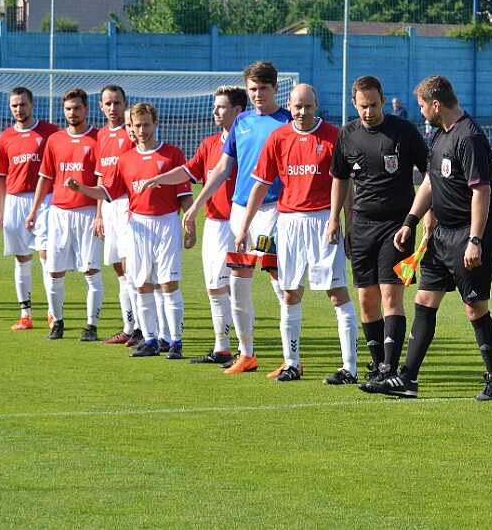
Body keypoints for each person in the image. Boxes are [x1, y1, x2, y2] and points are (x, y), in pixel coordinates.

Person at [366, 74, 492, 400]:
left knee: (475, 307)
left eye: (423, 106)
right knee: (424, 301)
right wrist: (410, 221)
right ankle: (407, 379)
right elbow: (430, 182)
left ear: (436, 104)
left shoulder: (468, 137)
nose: (421, 111)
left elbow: (481, 191)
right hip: (442, 234)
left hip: (469, 234)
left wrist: (475, 240)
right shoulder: (439, 135)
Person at [238, 83, 359, 383]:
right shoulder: (277, 137)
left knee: (336, 293)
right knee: (290, 294)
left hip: (323, 221)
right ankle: (291, 363)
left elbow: (345, 188)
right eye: (297, 106)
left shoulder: (334, 137)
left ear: (316, 104)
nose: (302, 112)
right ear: (288, 106)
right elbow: (261, 184)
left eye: (307, 106)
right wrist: (244, 227)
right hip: (289, 222)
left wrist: (347, 225)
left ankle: (349, 367)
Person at [181, 61, 291, 375]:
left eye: (263, 89)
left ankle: (289, 357)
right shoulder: (241, 121)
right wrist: (197, 203)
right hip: (239, 214)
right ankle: (246, 354)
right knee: (238, 283)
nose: (257, 94)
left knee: (279, 282)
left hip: (272, 213)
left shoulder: (286, 123)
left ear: (275, 89)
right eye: (252, 89)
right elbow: (222, 168)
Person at [66, 102, 193, 358]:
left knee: (168, 284)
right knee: (142, 284)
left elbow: (185, 194)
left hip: (167, 222)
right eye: (137, 125)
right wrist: (81, 189)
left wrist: (189, 225)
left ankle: (175, 341)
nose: (142, 130)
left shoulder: (172, 155)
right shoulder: (125, 160)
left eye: (147, 124)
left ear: (156, 124)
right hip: (137, 225)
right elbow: (107, 192)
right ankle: (149, 340)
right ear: (130, 128)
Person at [328, 75, 429, 389]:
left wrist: (427, 215)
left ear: (383, 101)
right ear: (353, 104)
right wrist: (335, 220)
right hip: (361, 226)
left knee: (390, 296)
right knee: (366, 299)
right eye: (362, 106)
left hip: (397, 226)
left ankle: (389, 368)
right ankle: (376, 365)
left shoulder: (404, 132)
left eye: (373, 105)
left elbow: (430, 175)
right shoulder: (347, 136)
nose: (368, 111)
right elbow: (340, 180)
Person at [142, 86, 246, 364]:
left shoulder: (247, 142)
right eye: (215, 106)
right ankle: (221, 347)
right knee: (214, 287)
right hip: (213, 225)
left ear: (238, 111)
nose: (214, 111)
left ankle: (244, 350)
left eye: (221, 107)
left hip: (237, 224)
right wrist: (160, 178)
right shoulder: (210, 144)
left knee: (237, 287)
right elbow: (189, 171)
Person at [25, 89, 103, 341]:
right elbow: (45, 178)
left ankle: (91, 327)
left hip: (88, 212)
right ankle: (57, 323)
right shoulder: (55, 140)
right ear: (64, 110)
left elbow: (102, 181)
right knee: (54, 271)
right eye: (68, 109)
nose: (73, 113)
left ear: (87, 109)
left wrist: (100, 214)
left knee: (91, 271)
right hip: (58, 214)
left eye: (77, 108)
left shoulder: (98, 139)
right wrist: (35, 210)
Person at [0, 87, 59, 331]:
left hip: (44, 200)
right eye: (14, 106)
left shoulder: (49, 132)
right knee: (21, 259)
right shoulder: (5, 137)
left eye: (22, 105)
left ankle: (53, 313)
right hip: (14, 201)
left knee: (45, 255)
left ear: (32, 105)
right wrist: (0, 211)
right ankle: (26, 314)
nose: (18, 110)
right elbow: (0, 176)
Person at [95, 85, 141, 345]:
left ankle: (142, 329)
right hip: (109, 206)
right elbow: (101, 175)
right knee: (117, 267)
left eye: (117, 103)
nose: (113, 108)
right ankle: (129, 326)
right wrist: (99, 214)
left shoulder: (131, 133)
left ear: (125, 103)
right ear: (101, 106)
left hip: (127, 203)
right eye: (108, 104)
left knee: (130, 266)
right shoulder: (102, 135)